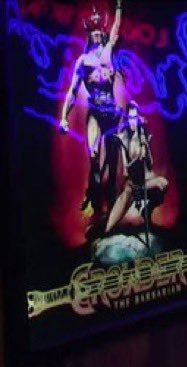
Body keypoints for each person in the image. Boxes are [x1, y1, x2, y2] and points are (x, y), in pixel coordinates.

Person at [59, 0, 124, 236]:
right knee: (94, 155)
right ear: (89, 34)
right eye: (93, 31)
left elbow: (116, 27)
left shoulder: (109, 51)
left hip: (112, 112)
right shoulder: (84, 61)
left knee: (114, 160)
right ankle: (96, 202)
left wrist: (118, 6)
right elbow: (72, 90)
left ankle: (112, 205)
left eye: (99, 30)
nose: (97, 33)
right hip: (95, 111)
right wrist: (64, 117)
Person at [106, 101, 169, 235]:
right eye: (130, 118)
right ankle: (106, 230)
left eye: (135, 118)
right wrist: (135, 163)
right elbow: (125, 171)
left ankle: (147, 211)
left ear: (138, 118)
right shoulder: (123, 138)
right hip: (132, 185)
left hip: (145, 182)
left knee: (163, 183)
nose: (132, 122)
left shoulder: (143, 135)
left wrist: (146, 148)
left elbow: (150, 165)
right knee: (110, 225)